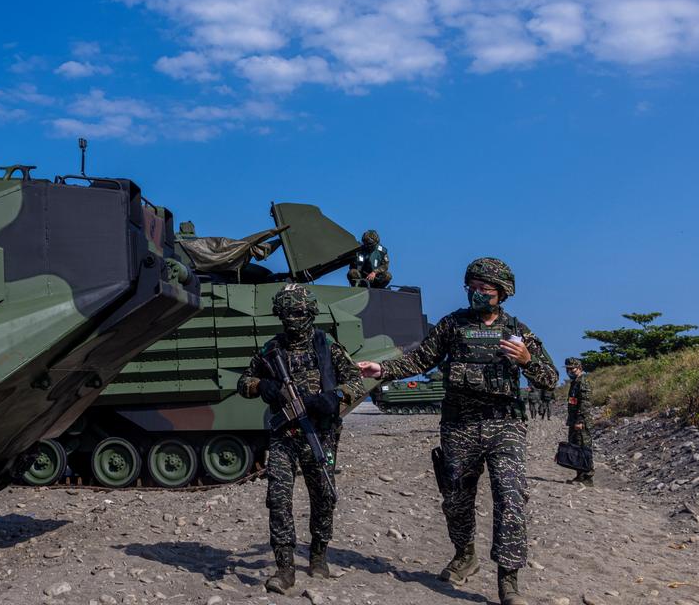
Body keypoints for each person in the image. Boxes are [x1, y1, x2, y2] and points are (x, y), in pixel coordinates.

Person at [357, 258, 556, 605]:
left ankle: (508, 581)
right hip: (459, 427)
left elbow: (550, 379)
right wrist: (382, 369)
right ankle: (465, 554)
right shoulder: (452, 325)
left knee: (510, 499)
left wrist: (527, 360)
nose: (477, 294)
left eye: (485, 289)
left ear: (502, 293)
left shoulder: (516, 331)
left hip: (503, 425)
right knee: (456, 500)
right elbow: (420, 359)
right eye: (472, 287)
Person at [237, 284, 365, 594]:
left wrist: (335, 397)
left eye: (297, 313)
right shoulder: (271, 350)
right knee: (279, 500)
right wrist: (261, 387)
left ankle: (319, 554)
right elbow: (243, 381)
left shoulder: (327, 346)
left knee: (324, 497)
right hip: (284, 437)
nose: (291, 320)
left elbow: (357, 382)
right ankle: (285, 568)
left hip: (320, 435)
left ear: (309, 313)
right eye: (286, 314)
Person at [565, 357, 594, 486]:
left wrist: (580, 420)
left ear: (579, 368)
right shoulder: (575, 382)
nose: (570, 371)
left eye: (572, 369)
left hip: (580, 421)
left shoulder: (583, 382)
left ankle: (587, 478)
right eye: (568, 369)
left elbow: (585, 403)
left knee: (584, 447)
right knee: (576, 447)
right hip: (573, 420)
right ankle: (579, 475)